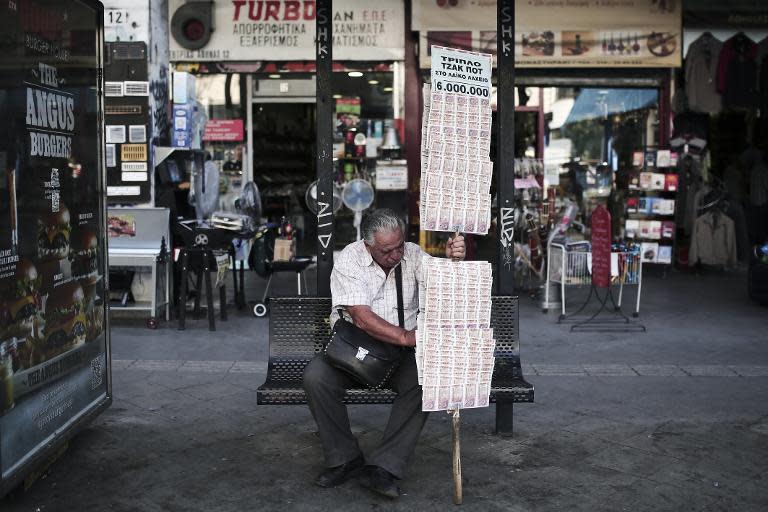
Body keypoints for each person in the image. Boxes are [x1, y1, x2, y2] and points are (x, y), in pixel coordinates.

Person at [303, 208, 465, 499]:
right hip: (355, 351)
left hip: (401, 355)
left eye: (399, 246)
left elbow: (446, 284)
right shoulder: (350, 259)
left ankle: (384, 466)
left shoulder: (413, 255)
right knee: (316, 376)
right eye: (387, 250)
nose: (395, 254)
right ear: (368, 245)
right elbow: (362, 318)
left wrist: (453, 260)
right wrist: (405, 335)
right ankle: (345, 458)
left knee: (425, 379)